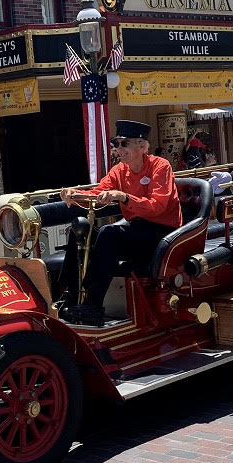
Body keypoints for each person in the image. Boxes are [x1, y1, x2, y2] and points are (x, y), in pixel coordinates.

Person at [59, 120, 181, 327]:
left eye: (124, 144)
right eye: (116, 143)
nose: (118, 149)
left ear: (142, 146)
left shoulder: (161, 166)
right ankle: (69, 295)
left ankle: (94, 306)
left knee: (109, 233)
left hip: (163, 233)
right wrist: (75, 194)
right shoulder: (119, 171)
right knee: (80, 232)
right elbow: (97, 193)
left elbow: (157, 206)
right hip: (136, 229)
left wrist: (124, 197)